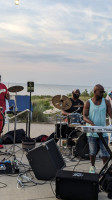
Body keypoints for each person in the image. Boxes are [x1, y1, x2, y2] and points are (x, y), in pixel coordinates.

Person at [83, 84, 112, 173]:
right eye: (101, 92)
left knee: (105, 152)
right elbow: (84, 116)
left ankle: (105, 169)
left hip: (102, 131)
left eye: (103, 91)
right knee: (92, 151)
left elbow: (111, 114)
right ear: (95, 92)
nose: (103, 93)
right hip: (92, 131)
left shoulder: (106, 102)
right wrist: (90, 122)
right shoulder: (88, 102)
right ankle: (92, 166)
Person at [0, 75, 10, 146]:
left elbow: (8, 98)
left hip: (2, 109)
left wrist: (8, 96)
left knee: (1, 126)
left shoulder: (3, 86)